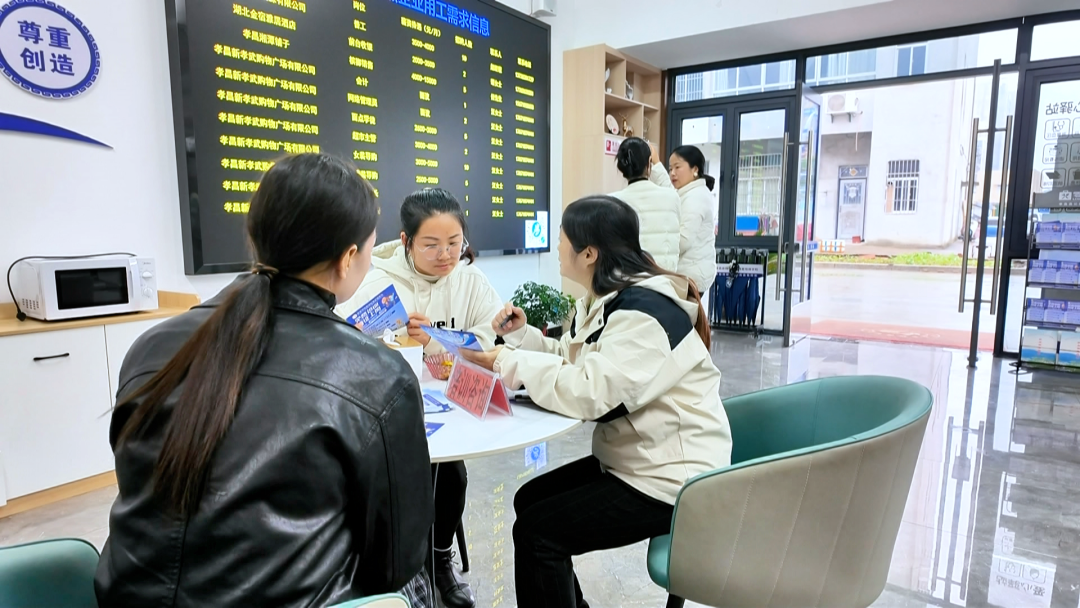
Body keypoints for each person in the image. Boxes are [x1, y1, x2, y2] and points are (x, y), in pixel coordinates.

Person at [95, 154, 435, 608]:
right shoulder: (376, 372)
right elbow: (396, 560)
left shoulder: (150, 347)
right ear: (348, 258)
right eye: (370, 252)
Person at [460, 195, 732, 608]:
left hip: (672, 476)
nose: (557, 246)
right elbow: (576, 359)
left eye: (562, 238)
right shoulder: (611, 298)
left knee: (538, 533)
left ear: (589, 253)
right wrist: (522, 337)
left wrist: (506, 361)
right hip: (638, 457)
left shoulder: (644, 313)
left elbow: (591, 393)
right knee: (528, 501)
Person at [336, 187, 503, 608]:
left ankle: (440, 560)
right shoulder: (375, 280)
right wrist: (387, 338)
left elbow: (490, 343)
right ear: (406, 241)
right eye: (431, 245)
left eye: (454, 243)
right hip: (386, 409)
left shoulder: (471, 280)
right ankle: (403, 568)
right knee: (397, 480)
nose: (445, 255)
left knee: (452, 476)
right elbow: (345, 342)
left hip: (451, 407)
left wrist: (436, 342)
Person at [651, 144, 719, 311]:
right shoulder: (688, 192)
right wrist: (656, 163)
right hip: (689, 273)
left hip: (692, 276)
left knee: (682, 322)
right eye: (670, 168)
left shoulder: (696, 197)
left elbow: (683, 241)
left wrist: (654, 247)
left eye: (677, 167)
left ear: (695, 169)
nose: (672, 173)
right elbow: (669, 191)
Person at [608, 136, 681, 272]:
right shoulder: (671, 197)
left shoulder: (612, 202)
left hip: (628, 280)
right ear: (649, 163)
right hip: (665, 279)